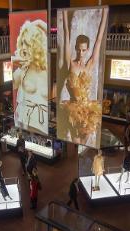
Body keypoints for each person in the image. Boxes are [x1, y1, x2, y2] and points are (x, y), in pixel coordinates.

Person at [59, 9, 108, 146]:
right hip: (73, 109)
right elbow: (67, 34)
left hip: (88, 110)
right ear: (75, 48)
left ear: (87, 50)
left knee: (84, 143)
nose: (81, 53)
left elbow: (98, 40)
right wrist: (63, 14)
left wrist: (105, 14)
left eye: (84, 50)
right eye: (79, 49)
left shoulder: (90, 65)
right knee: (75, 142)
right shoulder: (71, 64)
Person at [12, 19, 48, 134]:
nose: (23, 47)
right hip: (22, 121)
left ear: (36, 46)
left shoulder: (47, 67)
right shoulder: (23, 68)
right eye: (22, 43)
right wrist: (13, 62)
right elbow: (11, 84)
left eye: (27, 44)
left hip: (41, 127)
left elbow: (61, 44)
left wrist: (41, 24)